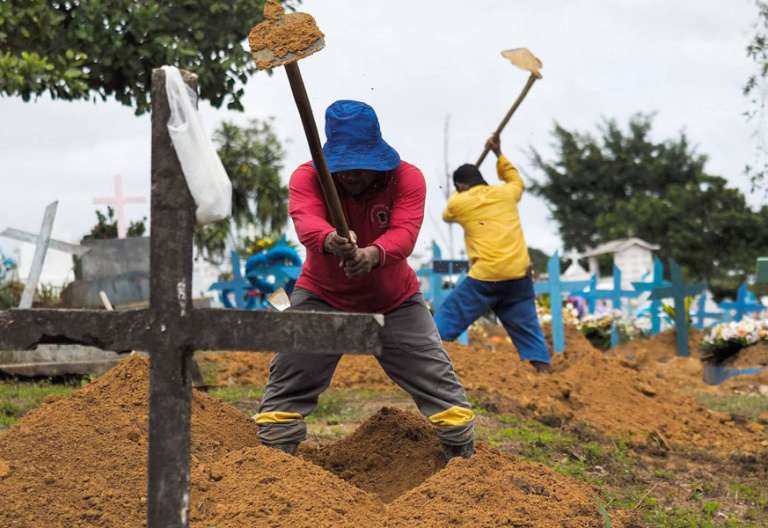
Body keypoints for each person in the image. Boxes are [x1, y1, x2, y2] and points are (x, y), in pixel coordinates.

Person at [253, 100, 475, 459]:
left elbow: (404, 233)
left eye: (363, 166)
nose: (353, 174)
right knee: (287, 387)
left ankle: (465, 469)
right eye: (345, 167)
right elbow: (306, 220)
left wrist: (371, 255)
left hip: (394, 302)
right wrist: (331, 241)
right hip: (322, 297)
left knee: (443, 391)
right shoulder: (307, 177)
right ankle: (273, 468)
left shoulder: (408, 177)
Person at [435, 136, 551, 372]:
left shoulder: (460, 202)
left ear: (461, 186)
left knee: (448, 316)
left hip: (486, 277)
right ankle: (543, 369)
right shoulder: (507, 194)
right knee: (527, 326)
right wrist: (499, 154)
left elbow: (447, 214)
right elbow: (515, 179)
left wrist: (461, 192)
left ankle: (425, 357)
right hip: (518, 275)